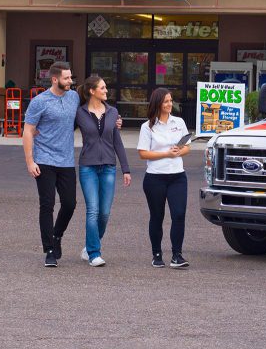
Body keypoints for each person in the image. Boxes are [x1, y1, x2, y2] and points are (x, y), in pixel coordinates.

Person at [23, 62, 79, 268]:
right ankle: (49, 250)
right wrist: (30, 161)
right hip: (44, 160)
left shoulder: (74, 97)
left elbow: (93, 108)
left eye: (71, 77)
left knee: (70, 203)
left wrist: (114, 119)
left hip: (66, 161)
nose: (70, 82)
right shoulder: (40, 101)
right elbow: (28, 131)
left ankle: (57, 236)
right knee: (47, 205)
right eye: (66, 78)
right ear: (55, 79)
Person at [75, 75, 131, 267]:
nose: (107, 91)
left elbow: (117, 142)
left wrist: (126, 169)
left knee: (104, 213)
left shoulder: (113, 112)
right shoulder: (79, 113)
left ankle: (90, 244)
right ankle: (94, 253)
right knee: (93, 210)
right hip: (87, 167)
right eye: (103, 88)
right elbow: (64, 129)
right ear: (92, 91)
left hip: (108, 167)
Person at [137, 87, 191, 269]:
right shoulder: (147, 127)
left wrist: (179, 151)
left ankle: (177, 255)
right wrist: (166, 154)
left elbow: (187, 147)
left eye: (171, 100)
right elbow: (143, 154)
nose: (170, 104)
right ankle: (157, 253)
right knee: (157, 216)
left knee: (179, 214)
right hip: (155, 178)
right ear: (158, 104)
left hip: (177, 176)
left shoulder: (179, 122)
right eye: (166, 101)